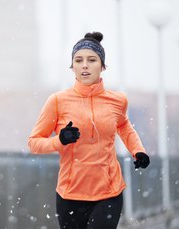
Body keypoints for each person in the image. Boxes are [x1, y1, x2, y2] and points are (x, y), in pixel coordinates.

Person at [27, 32, 150, 229]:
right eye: (78, 60)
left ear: (102, 66)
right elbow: (34, 142)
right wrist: (60, 140)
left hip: (108, 191)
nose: (85, 65)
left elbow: (124, 126)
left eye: (92, 60)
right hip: (70, 194)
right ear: (72, 67)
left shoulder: (117, 101)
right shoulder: (58, 101)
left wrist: (138, 151)